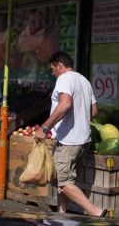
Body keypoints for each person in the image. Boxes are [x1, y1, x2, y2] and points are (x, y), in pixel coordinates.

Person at [34, 51, 106, 217]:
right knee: (65, 180)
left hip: (69, 140)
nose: (52, 73)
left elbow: (65, 105)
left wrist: (45, 128)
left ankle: (95, 211)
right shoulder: (84, 80)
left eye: (53, 69)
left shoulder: (64, 79)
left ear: (60, 65)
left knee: (64, 182)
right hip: (83, 140)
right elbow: (94, 111)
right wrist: (79, 117)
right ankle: (61, 214)